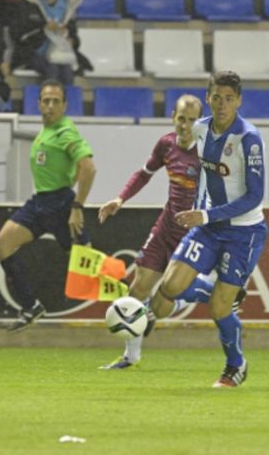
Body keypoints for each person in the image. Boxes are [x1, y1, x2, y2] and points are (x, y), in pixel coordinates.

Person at [96, 95, 248, 370]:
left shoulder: (208, 152)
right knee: (137, 289)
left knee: (162, 302)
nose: (186, 125)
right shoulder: (166, 144)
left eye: (192, 120)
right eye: (181, 118)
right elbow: (144, 173)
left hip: (192, 235)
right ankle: (130, 357)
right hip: (165, 227)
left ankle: (218, 291)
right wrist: (120, 199)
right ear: (172, 117)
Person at [149, 71, 268, 388]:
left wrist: (206, 213)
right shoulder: (199, 130)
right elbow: (176, 148)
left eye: (230, 98)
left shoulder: (248, 139)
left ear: (239, 101)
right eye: (217, 97)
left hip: (244, 232)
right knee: (170, 286)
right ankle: (219, 293)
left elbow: (255, 196)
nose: (223, 104)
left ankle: (236, 365)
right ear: (208, 98)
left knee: (218, 309)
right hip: (209, 227)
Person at [0, 79, 96, 332]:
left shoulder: (65, 132)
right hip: (39, 202)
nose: (50, 105)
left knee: (91, 267)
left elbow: (89, 168)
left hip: (61, 204)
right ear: (38, 103)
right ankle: (31, 306)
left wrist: (77, 206)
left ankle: (132, 307)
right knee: (1, 245)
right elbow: (70, 169)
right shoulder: (46, 132)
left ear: (64, 105)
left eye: (55, 101)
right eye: (46, 100)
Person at [10, 0, 92, 86]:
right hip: (33, 53)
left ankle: (65, 103)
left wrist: (71, 40)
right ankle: (48, 103)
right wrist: (43, 29)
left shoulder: (69, 3)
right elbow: (17, 35)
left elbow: (74, 34)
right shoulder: (27, 3)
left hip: (60, 53)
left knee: (68, 74)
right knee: (52, 70)